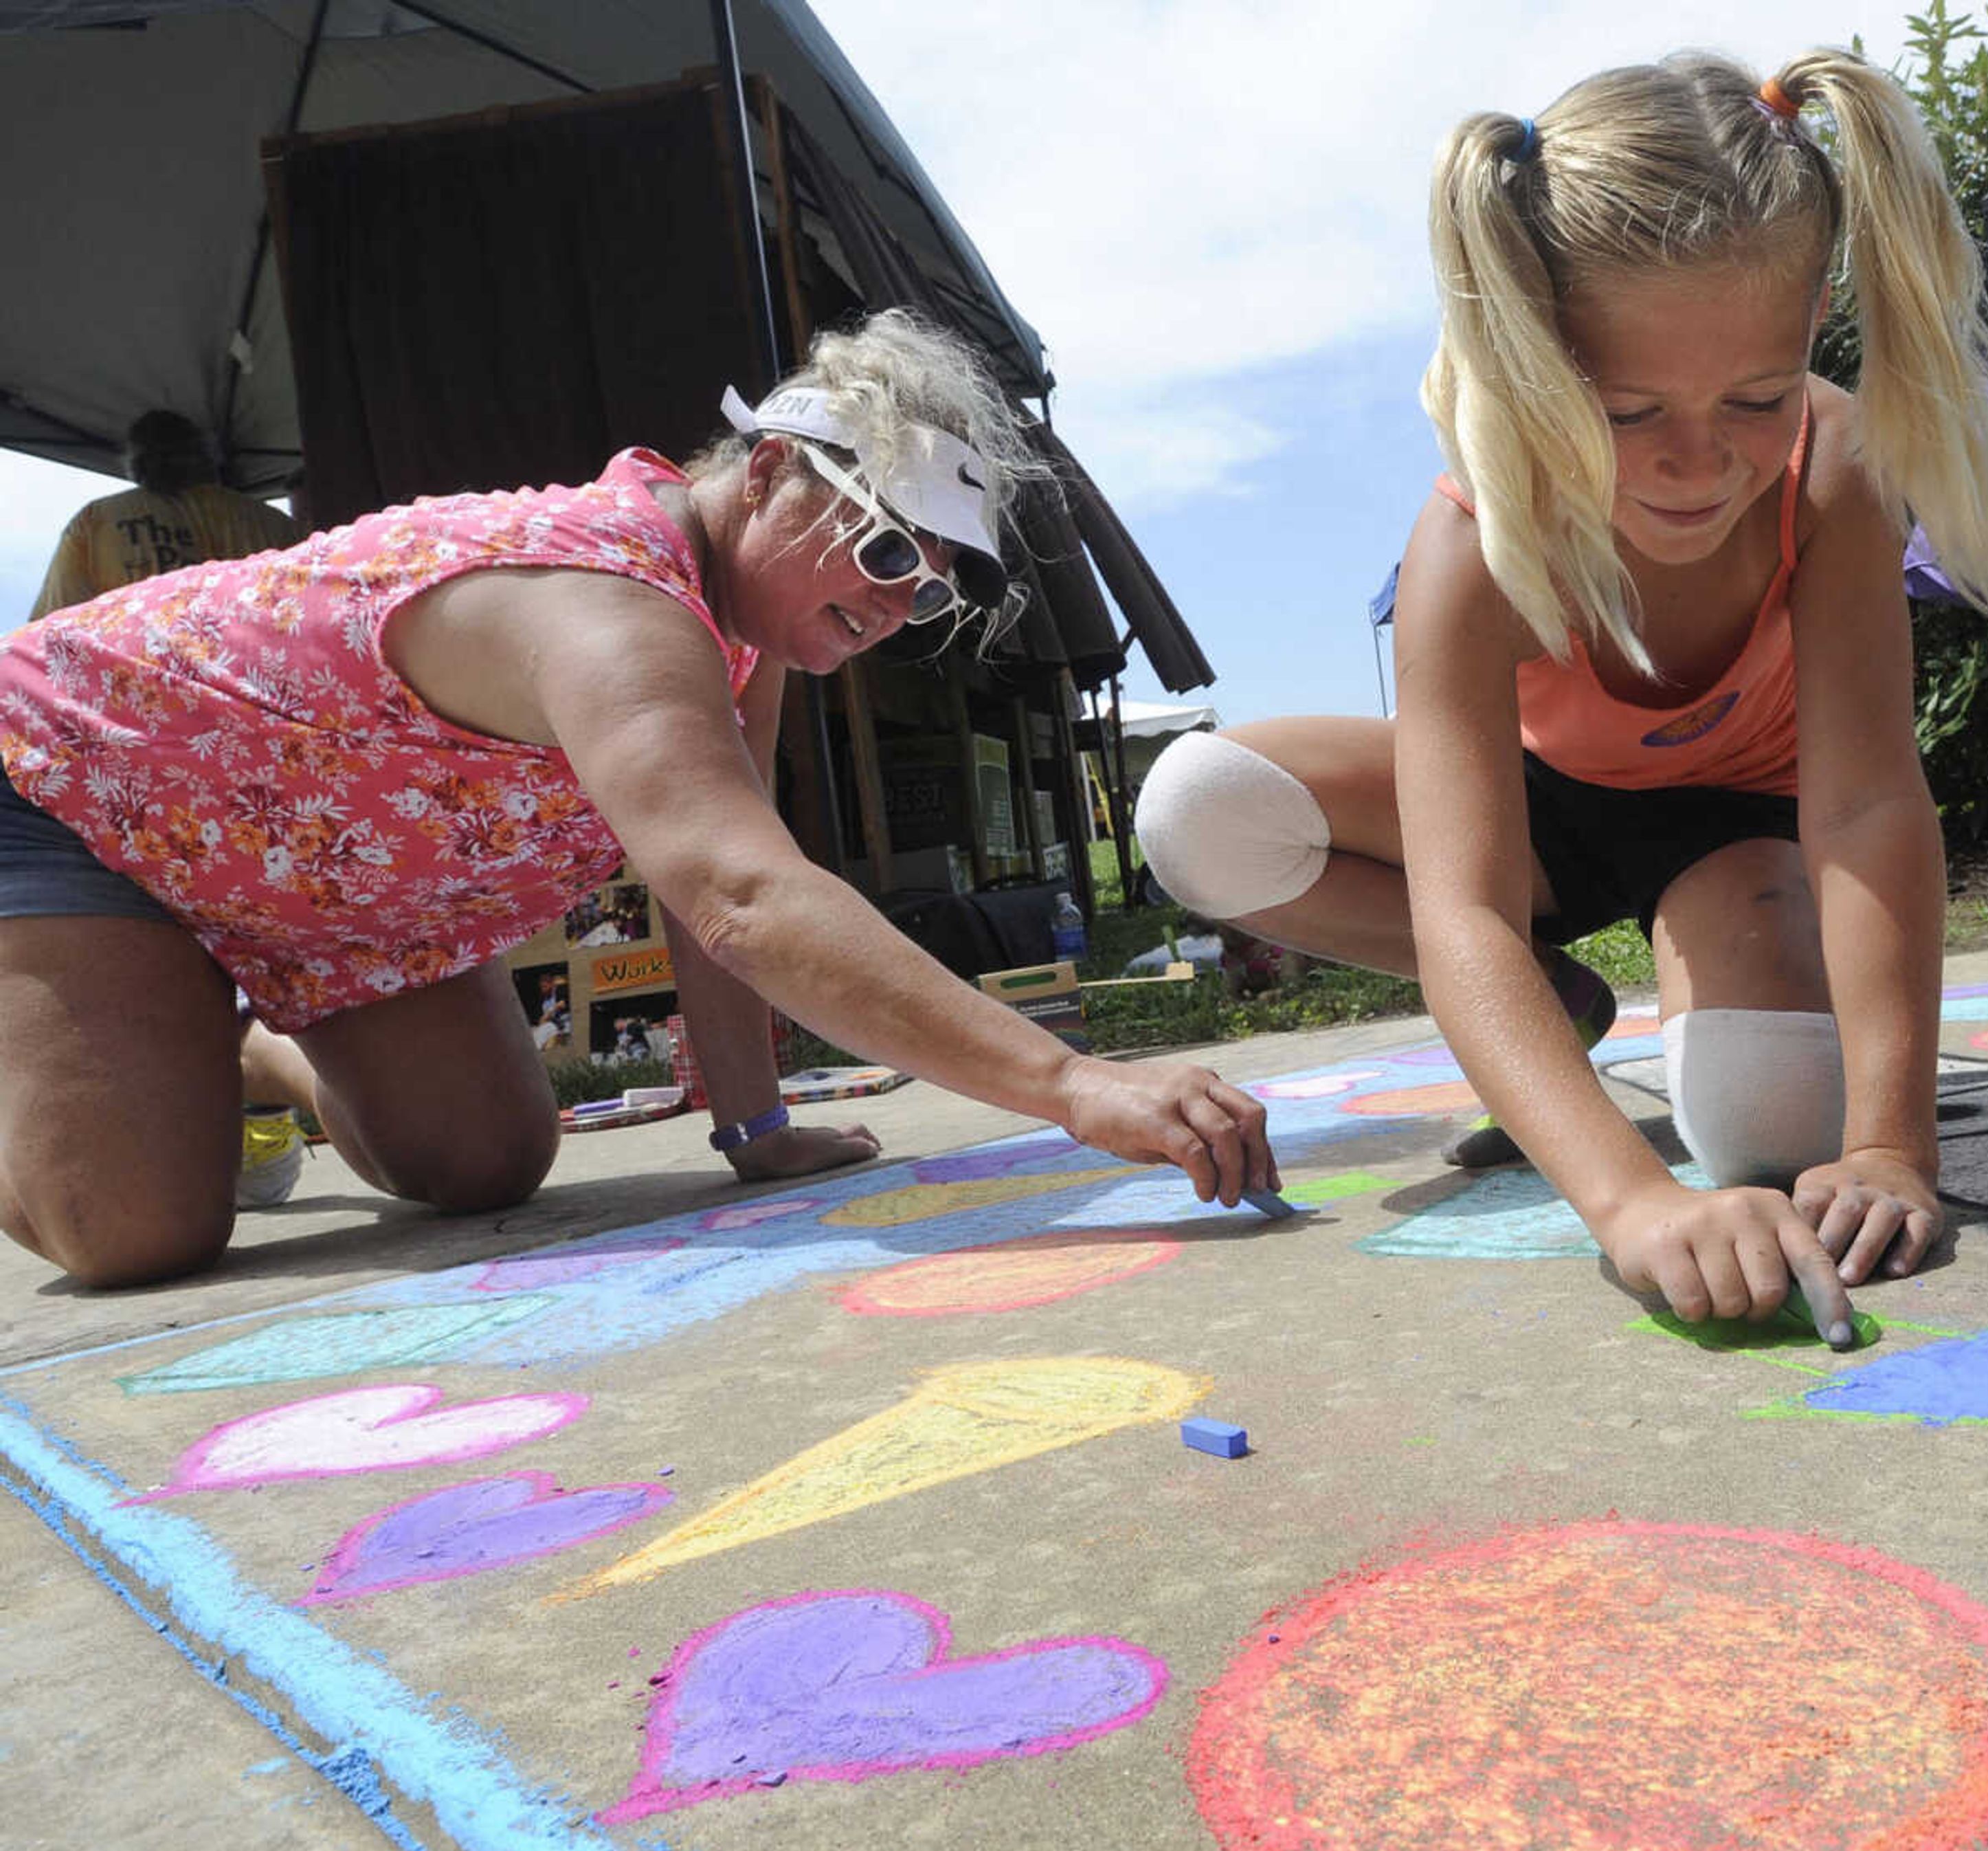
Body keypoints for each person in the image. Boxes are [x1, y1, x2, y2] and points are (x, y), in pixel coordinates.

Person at [0, 309, 1274, 1287]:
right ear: (771, 471)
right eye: (888, 549)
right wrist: (1069, 1085)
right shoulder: (611, 603)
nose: (897, 603)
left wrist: (756, 1127)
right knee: (131, 1235)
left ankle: (239, 1048)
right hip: (88, 787)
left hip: (326, 883)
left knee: (486, 1163)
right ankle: (103, 1028)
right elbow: (744, 900)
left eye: (931, 587)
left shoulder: (747, 628)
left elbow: (714, 871)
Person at [1136, 52, 1988, 1342]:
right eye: (1624, 410)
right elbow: (1465, 913)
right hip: (1548, 811)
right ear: (1536, 357)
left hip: (1739, 821)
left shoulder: (1831, 461)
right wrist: (1627, 1203)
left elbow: (1867, 803)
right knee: (1198, 805)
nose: (1696, 459)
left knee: (1777, 1135)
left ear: (1814, 327)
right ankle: (1562, 1004)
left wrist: (1893, 1145)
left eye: (1757, 396)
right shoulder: (1468, 540)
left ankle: (1687, 988)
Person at [27, 409, 300, 617]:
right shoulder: (265, 521)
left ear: (136, 463)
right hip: (244, 676)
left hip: (138, 678)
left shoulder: (95, 521)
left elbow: (50, 629)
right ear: (204, 457)